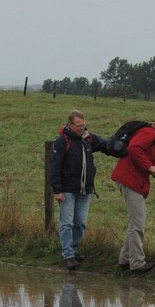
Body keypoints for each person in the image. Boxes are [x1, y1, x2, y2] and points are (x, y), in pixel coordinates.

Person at [111, 114, 155, 274]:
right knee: (138, 222)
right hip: (130, 179)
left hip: (133, 180)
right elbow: (134, 148)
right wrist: (149, 167)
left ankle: (125, 259)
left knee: (135, 221)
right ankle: (137, 263)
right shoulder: (151, 133)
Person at [50, 109, 108, 270]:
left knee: (80, 223)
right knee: (67, 223)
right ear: (70, 124)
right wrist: (57, 190)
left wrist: (124, 146)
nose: (82, 128)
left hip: (85, 190)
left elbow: (106, 146)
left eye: (83, 125)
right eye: (78, 125)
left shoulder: (89, 139)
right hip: (67, 190)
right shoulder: (62, 142)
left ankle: (74, 250)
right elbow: (54, 167)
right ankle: (68, 255)